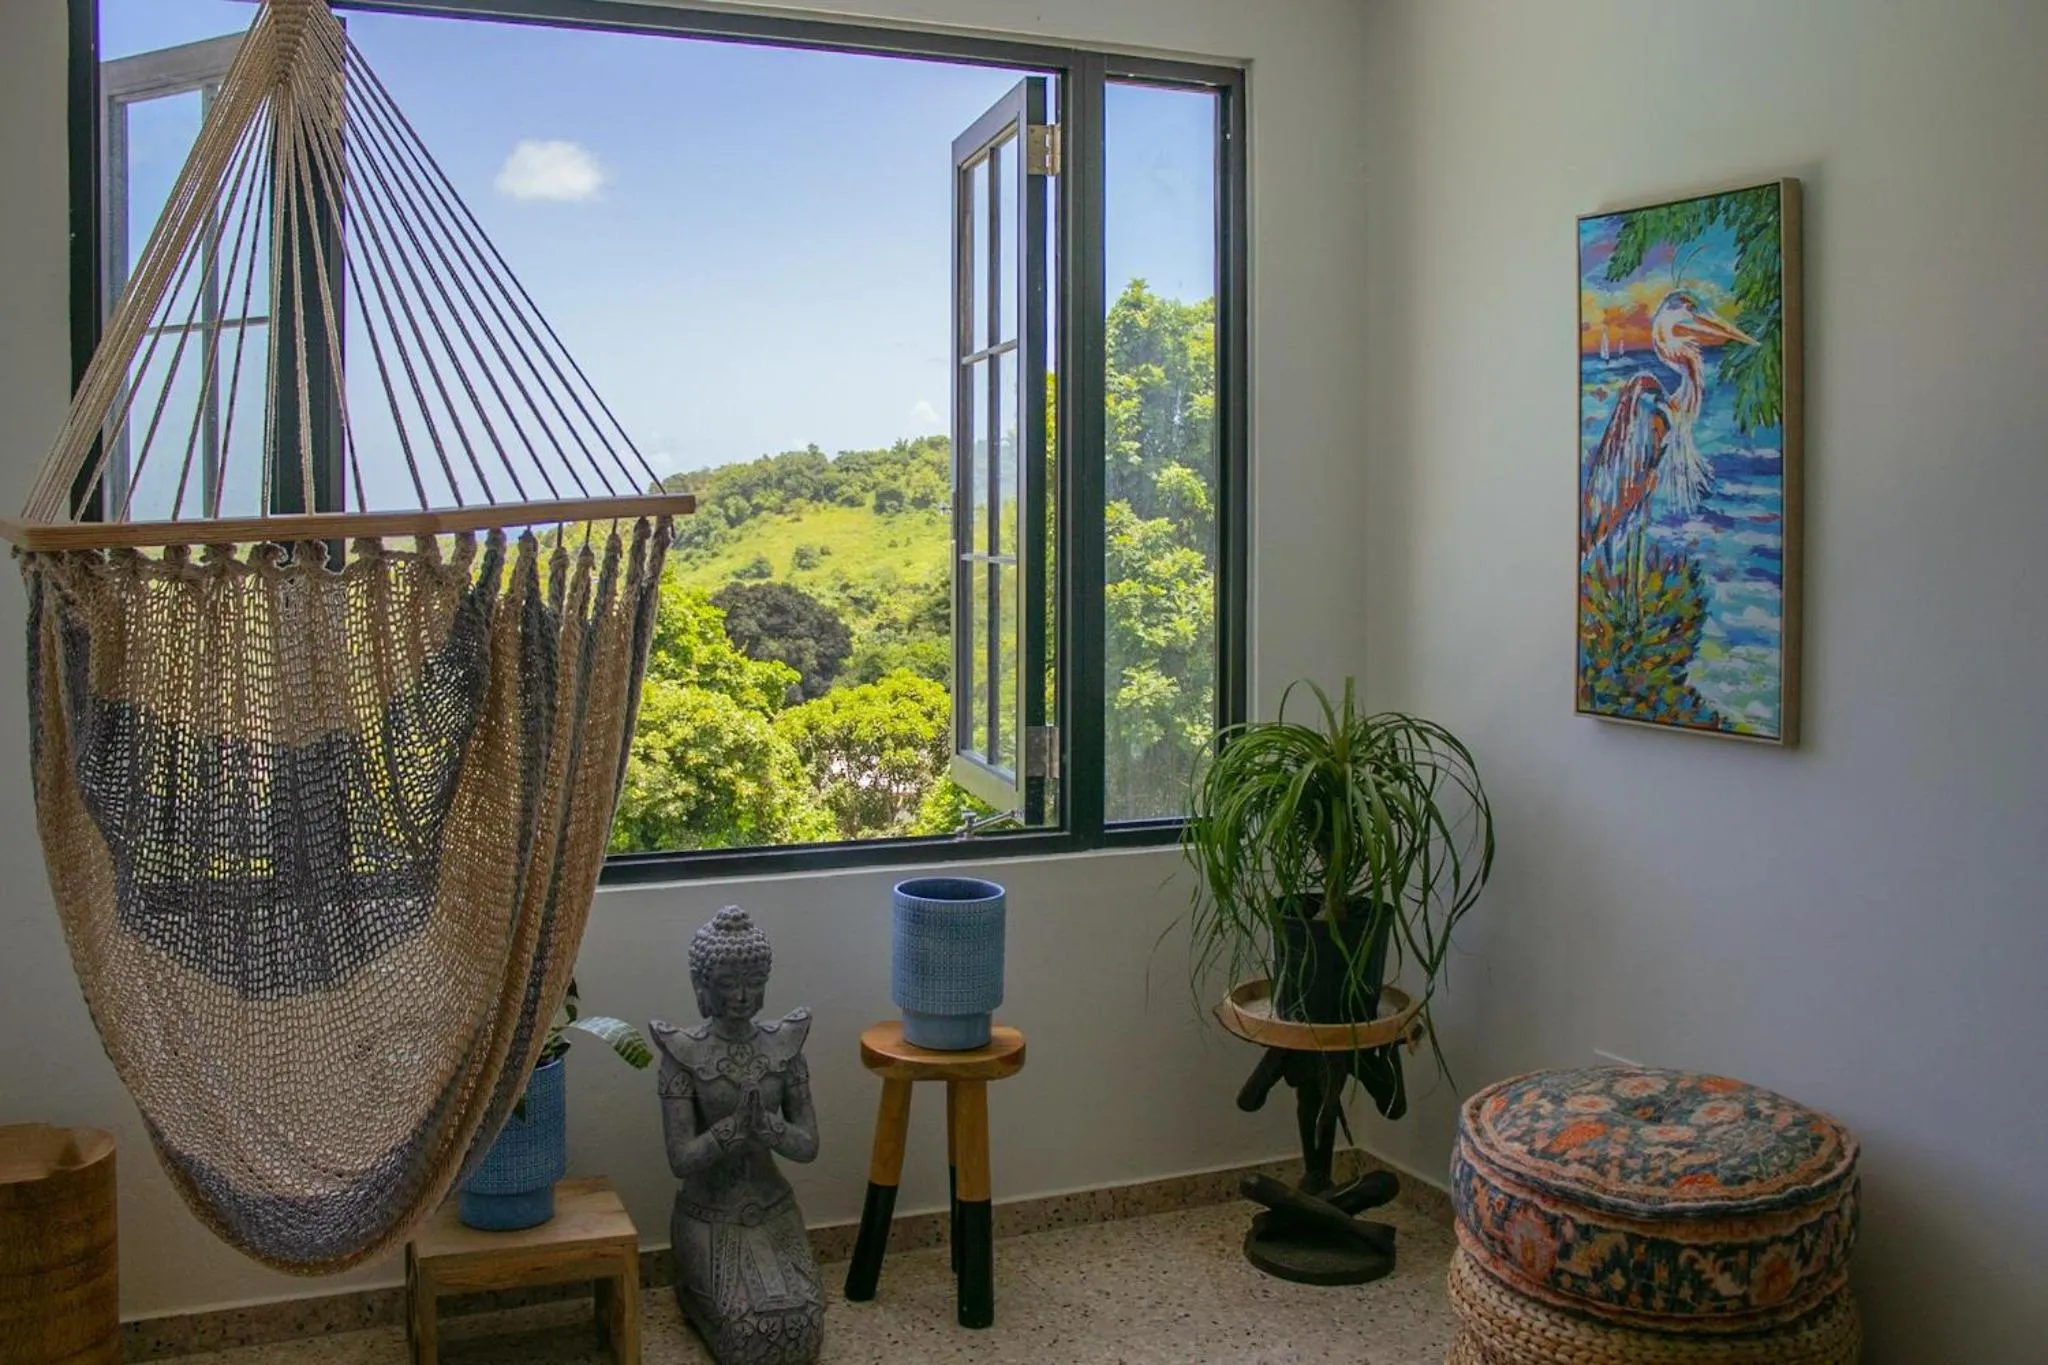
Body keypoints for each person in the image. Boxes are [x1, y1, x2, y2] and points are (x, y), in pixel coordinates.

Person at [653, 907, 824, 1364]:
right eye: (728, 983)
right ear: (702, 986)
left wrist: (767, 1126)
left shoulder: (784, 1047)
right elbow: (680, 1159)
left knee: (802, 1322)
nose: (742, 996)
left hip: (772, 1206)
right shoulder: (683, 1055)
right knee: (748, 1332)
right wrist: (729, 1131)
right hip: (708, 1213)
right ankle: (693, 1292)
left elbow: (808, 1145)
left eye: (753, 981)